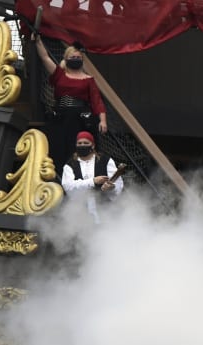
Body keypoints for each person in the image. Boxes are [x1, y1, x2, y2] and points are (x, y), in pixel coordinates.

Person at [33, 38, 108, 176]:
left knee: (76, 149)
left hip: (80, 120)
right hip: (60, 118)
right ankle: (57, 178)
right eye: (73, 57)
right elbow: (44, 57)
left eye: (78, 57)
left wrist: (103, 120)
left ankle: (81, 177)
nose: (76, 59)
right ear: (66, 59)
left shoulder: (88, 79)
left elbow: (97, 101)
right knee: (56, 148)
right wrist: (38, 41)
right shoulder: (59, 75)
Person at [60, 131, 123, 222]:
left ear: (92, 145)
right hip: (80, 215)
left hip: (106, 212)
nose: (82, 145)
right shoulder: (70, 165)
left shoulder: (105, 161)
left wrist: (111, 187)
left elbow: (118, 183)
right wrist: (92, 181)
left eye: (86, 143)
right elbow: (68, 186)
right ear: (76, 145)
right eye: (79, 143)